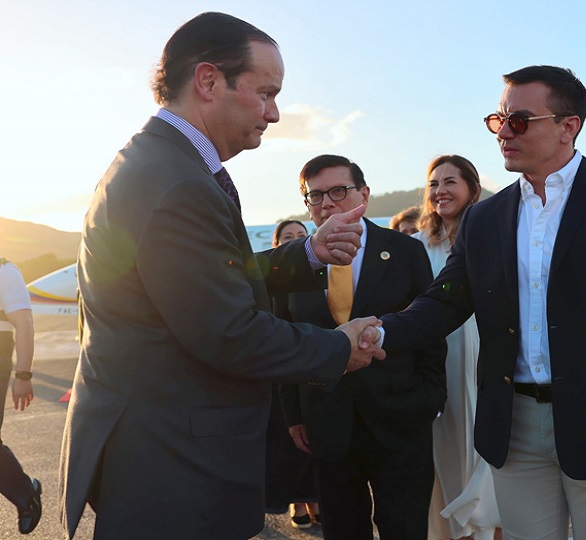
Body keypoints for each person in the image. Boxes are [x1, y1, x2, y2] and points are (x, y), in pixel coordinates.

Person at [59, 13, 384, 540]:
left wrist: (306, 256)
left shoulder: (162, 164)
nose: (275, 114)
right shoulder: (175, 181)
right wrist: (337, 348)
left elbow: (198, 282)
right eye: (267, 93)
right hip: (173, 460)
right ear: (208, 81)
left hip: (161, 447)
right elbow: (225, 330)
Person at [377, 65, 586, 540]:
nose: (504, 132)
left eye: (520, 121)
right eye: (498, 120)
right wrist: (378, 332)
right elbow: (445, 300)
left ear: (569, 126)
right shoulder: (486, 217)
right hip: (512, 426)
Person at [272, 154, 447, 540]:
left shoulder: (404, 250)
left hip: (400, 418)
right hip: (327, 422)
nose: (326, 204)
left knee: (404, 528)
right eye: (314, 196)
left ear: (364, 194)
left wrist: (431, 399)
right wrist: (294, 415)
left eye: (338, 191)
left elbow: (429, 329)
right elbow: (285, 337)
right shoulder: (296, 262)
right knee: (343, 530)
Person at [413, 155, 500, 540]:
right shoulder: (416, 248)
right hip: (438, 365)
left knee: (492, 462)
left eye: (450, 182)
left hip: (486, 360)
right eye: (433, 184)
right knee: (443, 457)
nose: (440, 190)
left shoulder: (493, 239)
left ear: (473, 189)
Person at [265, 218, 320, 529]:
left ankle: (314, 498)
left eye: (302, 235)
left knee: (313, 439)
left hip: (309, 368)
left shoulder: (319, 275)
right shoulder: (267, 282)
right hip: (279, 375)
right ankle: (297, 502)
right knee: (288, 442)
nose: (296, 240)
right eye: (288, 237)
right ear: (276, 246)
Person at [0, 258, 41, 535]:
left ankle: (25, 494)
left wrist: (24, 375)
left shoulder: (4, 271)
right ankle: (25, 491)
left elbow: (24, 323)